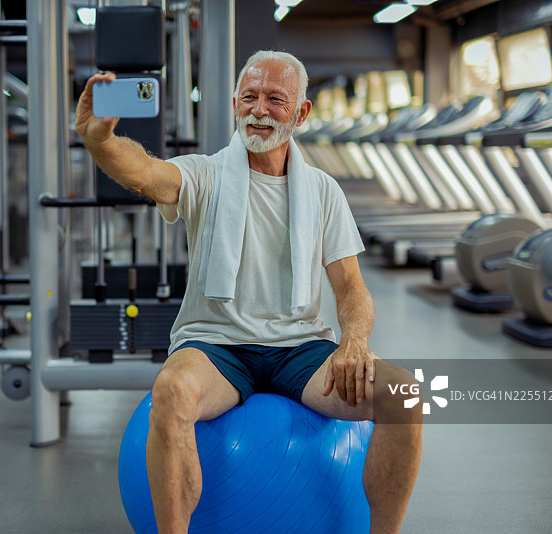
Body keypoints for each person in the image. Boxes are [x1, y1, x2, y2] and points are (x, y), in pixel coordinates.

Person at [75, 50, 423, 534]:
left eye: (275, 100)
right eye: (250, 97)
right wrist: (102, 142)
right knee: (172, 390)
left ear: (300, 113)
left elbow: (351, 287)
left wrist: (355, 341)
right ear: (236, 103)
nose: (259, 110)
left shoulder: (323, 191)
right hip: (216, 346)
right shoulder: (206, 174)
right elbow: (147, 172)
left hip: (299, 349)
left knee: (404, 393)